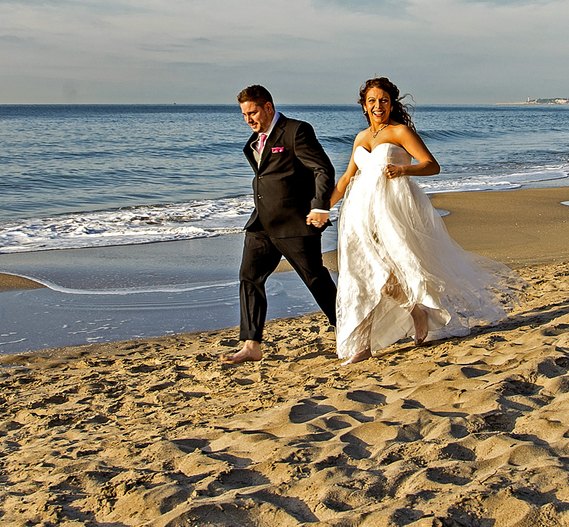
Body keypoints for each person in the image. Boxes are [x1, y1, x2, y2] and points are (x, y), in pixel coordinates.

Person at [327, 77, 517, 365]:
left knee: (387, 276)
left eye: (383, 100)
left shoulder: (401, 132)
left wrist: (403, 170)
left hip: (392, 211)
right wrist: (321, 209)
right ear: (364, 106)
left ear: (392, 104)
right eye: (372, 101)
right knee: (361, 274)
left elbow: (432, 165)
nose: (378, 106)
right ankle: (364, 345)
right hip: (360, 214)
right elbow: (345, 180)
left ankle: (416, 314)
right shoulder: (361, 137)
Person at [222, 85, 338, 364]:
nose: (248, 119)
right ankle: (252, 344)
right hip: (261, 223)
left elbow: (323, 169)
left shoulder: (296, 131)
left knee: (315, 278)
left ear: (268, 107)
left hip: (295, 223)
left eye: (252, 113)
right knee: (249, 277)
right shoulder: (254, 141)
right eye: (244, 114)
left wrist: (319, 207)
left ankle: (346, 327)